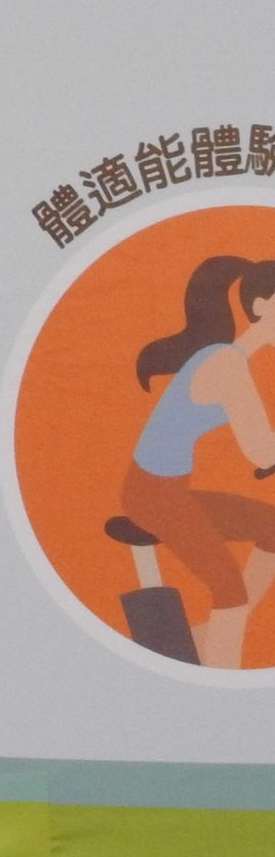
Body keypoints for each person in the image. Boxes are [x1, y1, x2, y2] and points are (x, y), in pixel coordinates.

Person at [123, 254, 275, 667]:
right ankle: (220, 666)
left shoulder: (227, 359)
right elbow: (262, 451)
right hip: (152, 495)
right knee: (230, 592)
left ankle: (204, 639)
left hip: (168, 489)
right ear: (261, 306)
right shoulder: (225, 364)